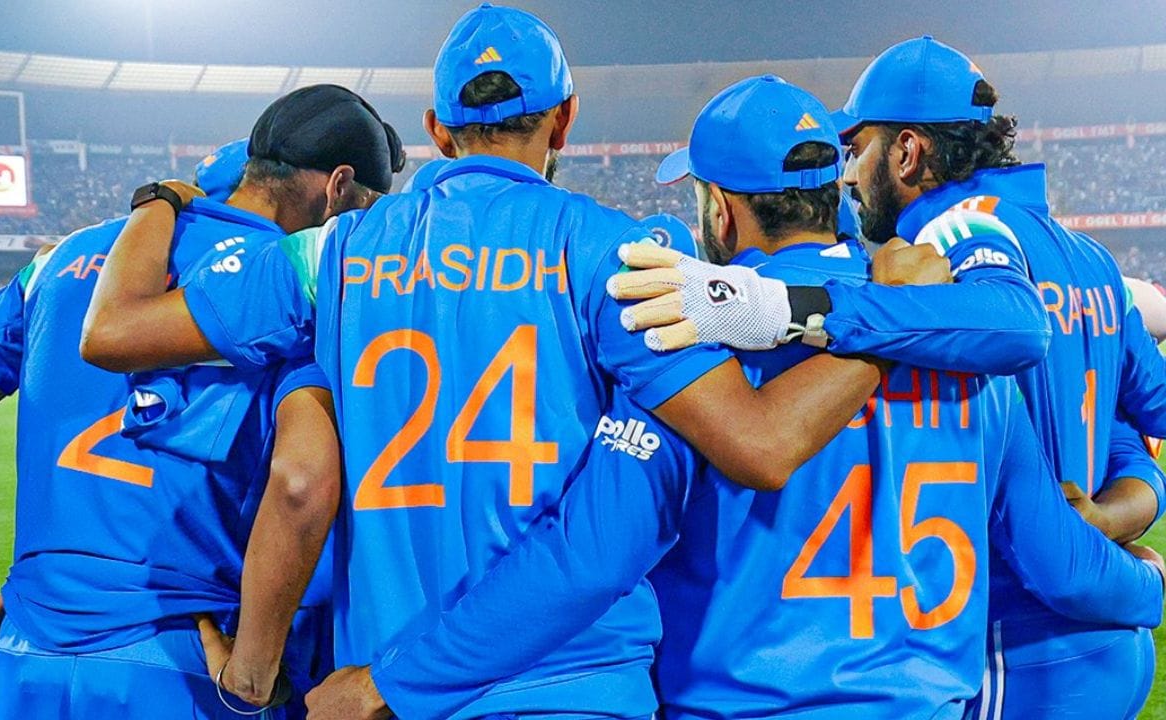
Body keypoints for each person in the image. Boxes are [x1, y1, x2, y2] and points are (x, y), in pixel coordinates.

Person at [303, 75, 1166, 720]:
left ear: (720, 209)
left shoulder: (698, 347)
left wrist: (395, 680)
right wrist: (1149, 584)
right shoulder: (962, 356)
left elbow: (587, 557)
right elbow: (1060, 560)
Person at [613, 37, 1166, 720]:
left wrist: (788, 308)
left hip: (1012, 645)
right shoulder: (1061, 278)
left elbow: (1020, 324)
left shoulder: (951, 245)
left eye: (860, 147)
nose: (852, 172)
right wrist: (1131, 530)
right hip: (1049, 638)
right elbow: (1130, 423)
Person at [0, 87, 390, 719]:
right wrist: (256, 667)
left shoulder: (62, 260)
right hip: (182, 654)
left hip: (31, 648)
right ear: (338, 188)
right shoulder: (296, 280)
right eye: (370, 204)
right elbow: (300, 481)